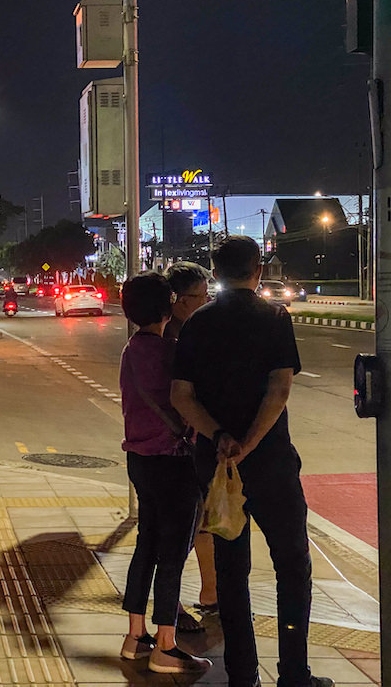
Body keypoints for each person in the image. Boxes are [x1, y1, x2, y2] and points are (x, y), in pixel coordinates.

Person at [170, 236, 333, 687]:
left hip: (219, 468)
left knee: (231, 571)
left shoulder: (197, 324)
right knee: (292, 566)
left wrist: (221, 438)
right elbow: (279, 389)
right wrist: (251, 442)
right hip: (273, 465)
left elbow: (180, 396)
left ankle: (242, 674)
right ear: (258, 270)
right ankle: (293, 674)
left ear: (213, 271)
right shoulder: (274, 317)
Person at [118, 272, 212, 676]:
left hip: (139, 460)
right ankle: (166, 645)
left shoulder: (130, 350)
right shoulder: (169, 351)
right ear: (167, 305)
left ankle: (135, 636)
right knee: (172, 553)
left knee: (147, 545)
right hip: (173, 461)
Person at [164, 262, 219, 620]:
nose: (207, 301)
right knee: (183, 529)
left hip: (190, 444)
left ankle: (210, 593)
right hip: (179, 448)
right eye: (201, 296)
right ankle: (174, 606)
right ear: (180, 300)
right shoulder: (175, 338)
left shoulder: (190, 332)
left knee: (202, 522)